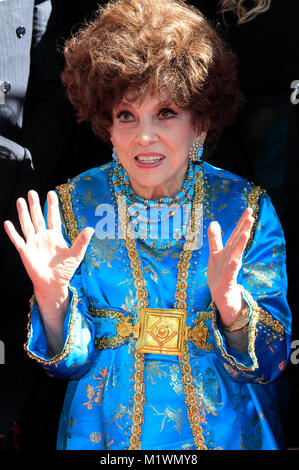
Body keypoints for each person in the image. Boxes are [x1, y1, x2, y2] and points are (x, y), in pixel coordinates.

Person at [4, 0, 292, 451]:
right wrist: (53, 301)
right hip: (100, 437)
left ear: (200, 121)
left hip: (225, 435)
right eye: (126, 115)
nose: (144, 136)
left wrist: (232, 307)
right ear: (106, 123)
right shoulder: (74, 205)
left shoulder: (244, 208)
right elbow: (67, 363)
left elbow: (271, 362)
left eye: (167, 113)